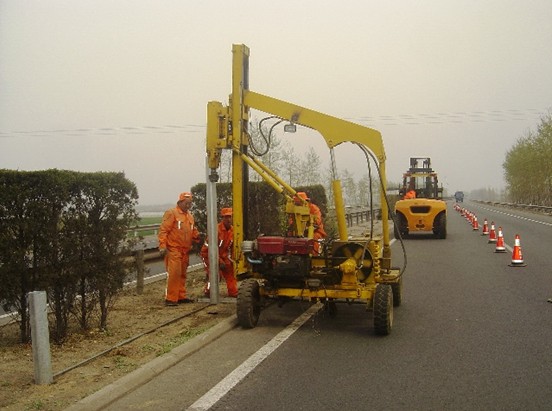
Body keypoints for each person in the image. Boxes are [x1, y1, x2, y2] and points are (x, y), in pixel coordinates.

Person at [158, 192, 201, 306]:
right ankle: (171, 298)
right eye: (187, 203)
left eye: (190, 203)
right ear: (180, 202)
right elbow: (163, 230)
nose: (188, 205)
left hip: (185, 250)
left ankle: (180, 296)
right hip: (173, 249)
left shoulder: (190, 216)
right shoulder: (172, 213)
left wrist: (198, 237)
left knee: (182, 273)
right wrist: (162, 246)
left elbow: (193, 230)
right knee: (174, 273)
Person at [199, 207, 237, 298]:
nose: (229, 219)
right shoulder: (216, 230)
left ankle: (233, 292)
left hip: (223, 255)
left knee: (230, 271)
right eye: (226, 217)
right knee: (215, 273)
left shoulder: (233, 230)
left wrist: (232, 260)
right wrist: (219, 261)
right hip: (208, 255)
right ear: (222, 218)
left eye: (230, 216)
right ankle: (208, 292)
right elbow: (211, 249)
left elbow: (232, 248)